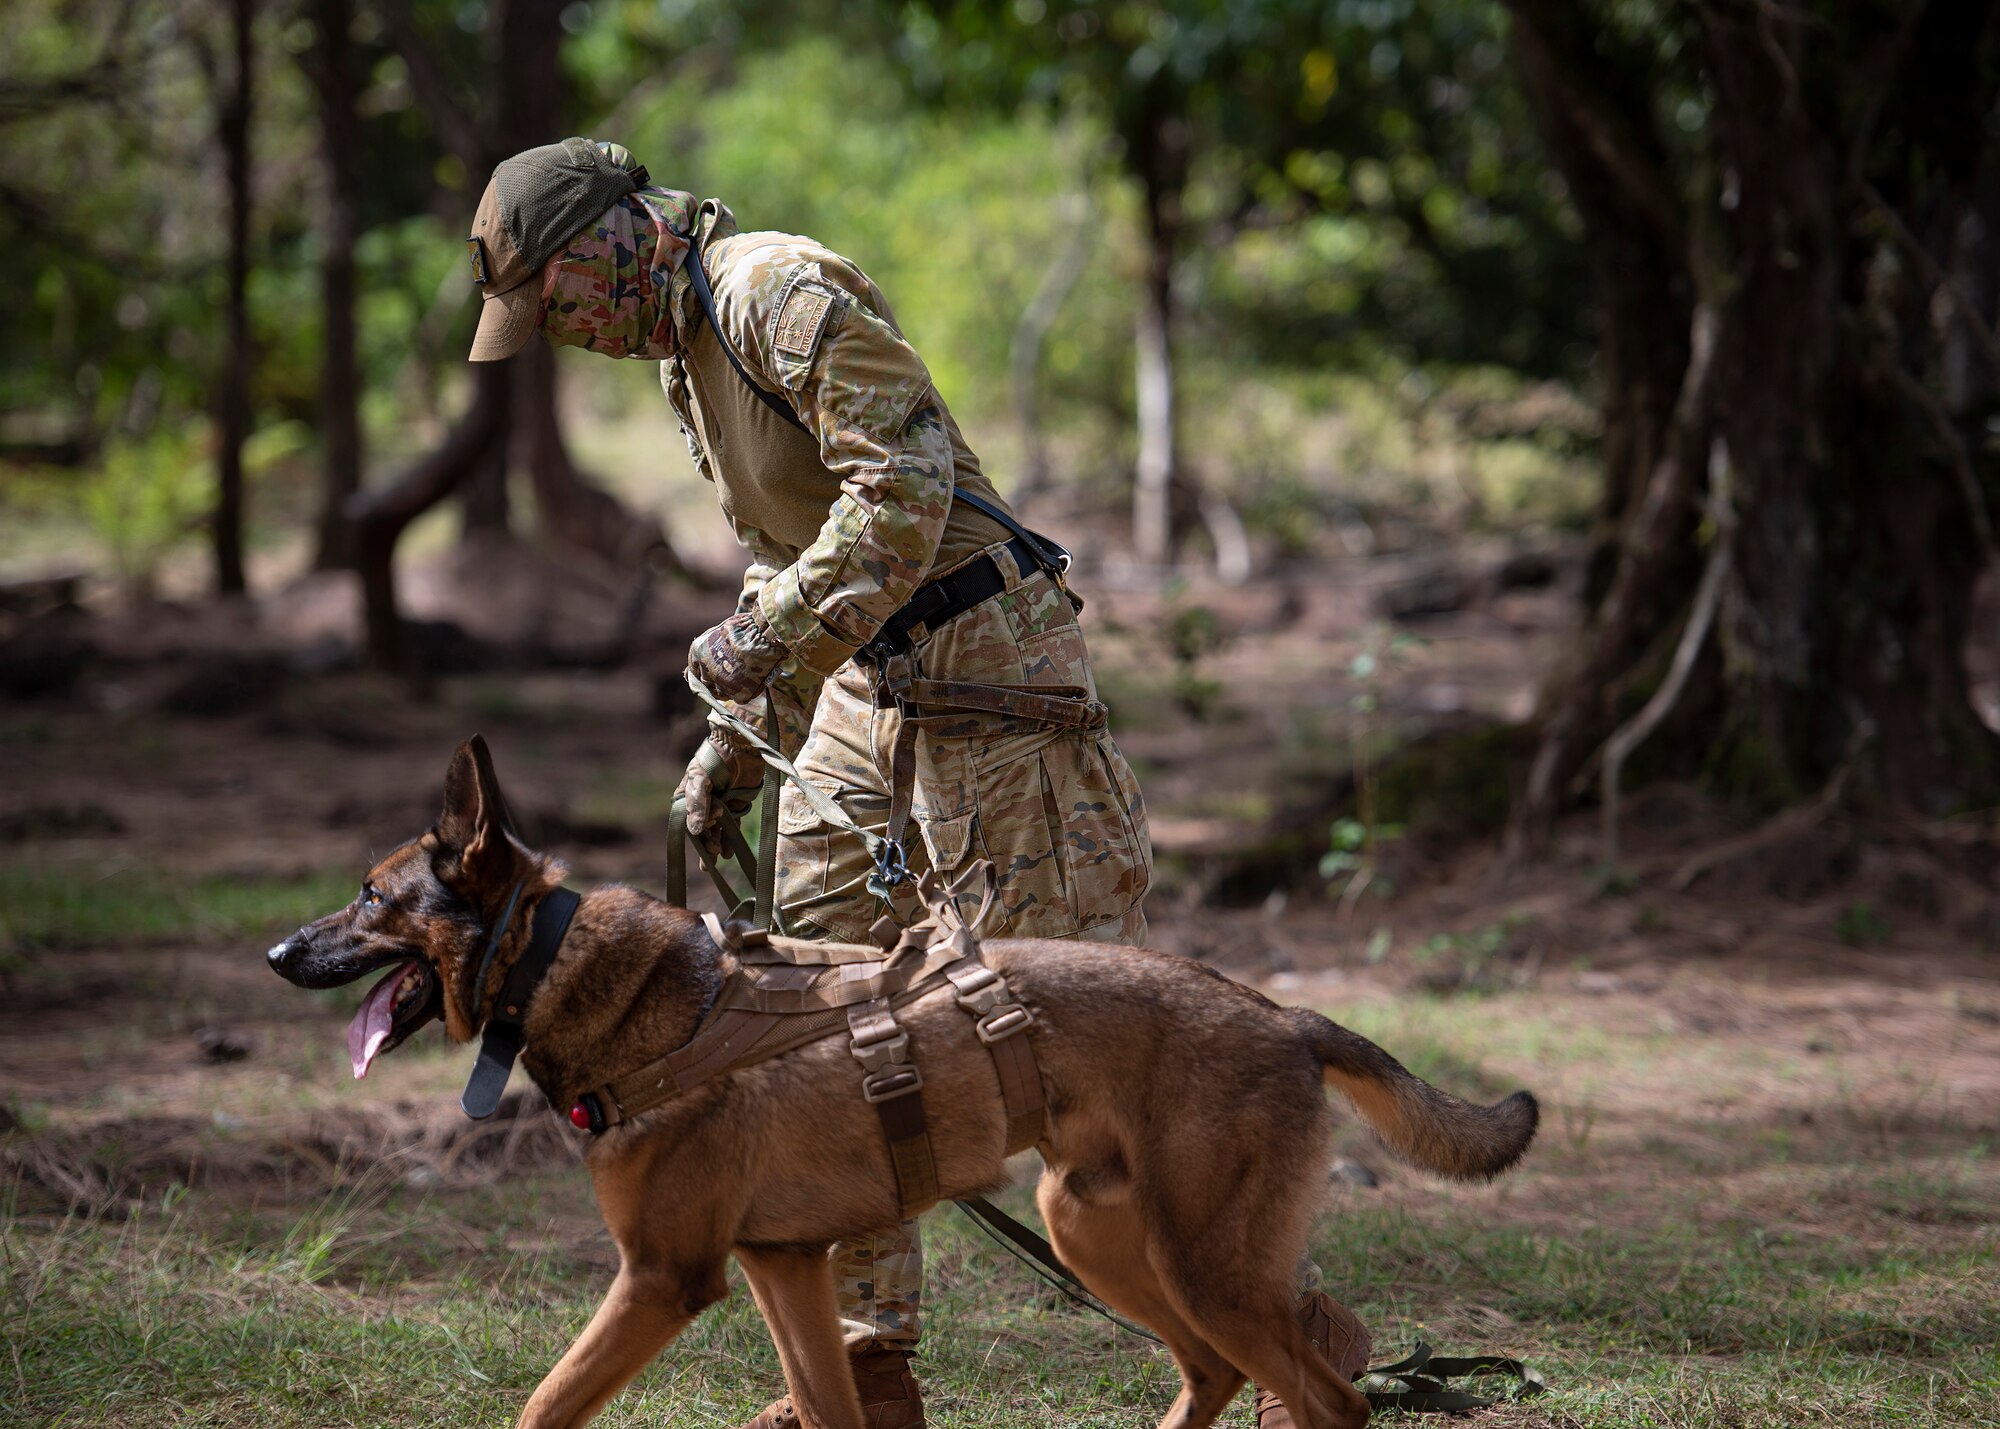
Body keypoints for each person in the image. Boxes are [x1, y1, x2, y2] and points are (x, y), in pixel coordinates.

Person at [463, 136, 1362, 1429]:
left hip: (994, 679)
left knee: (1092, 1034)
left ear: (606, 241)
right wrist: (735, 738)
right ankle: (865, 1367)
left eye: (551, 302)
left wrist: (759, 644)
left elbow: (905, 489)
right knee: (815, 1030)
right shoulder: (682, 351)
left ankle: (1293, 1338)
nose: (560, 333)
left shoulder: (773, 290)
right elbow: (799, 554)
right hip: (863, 694)